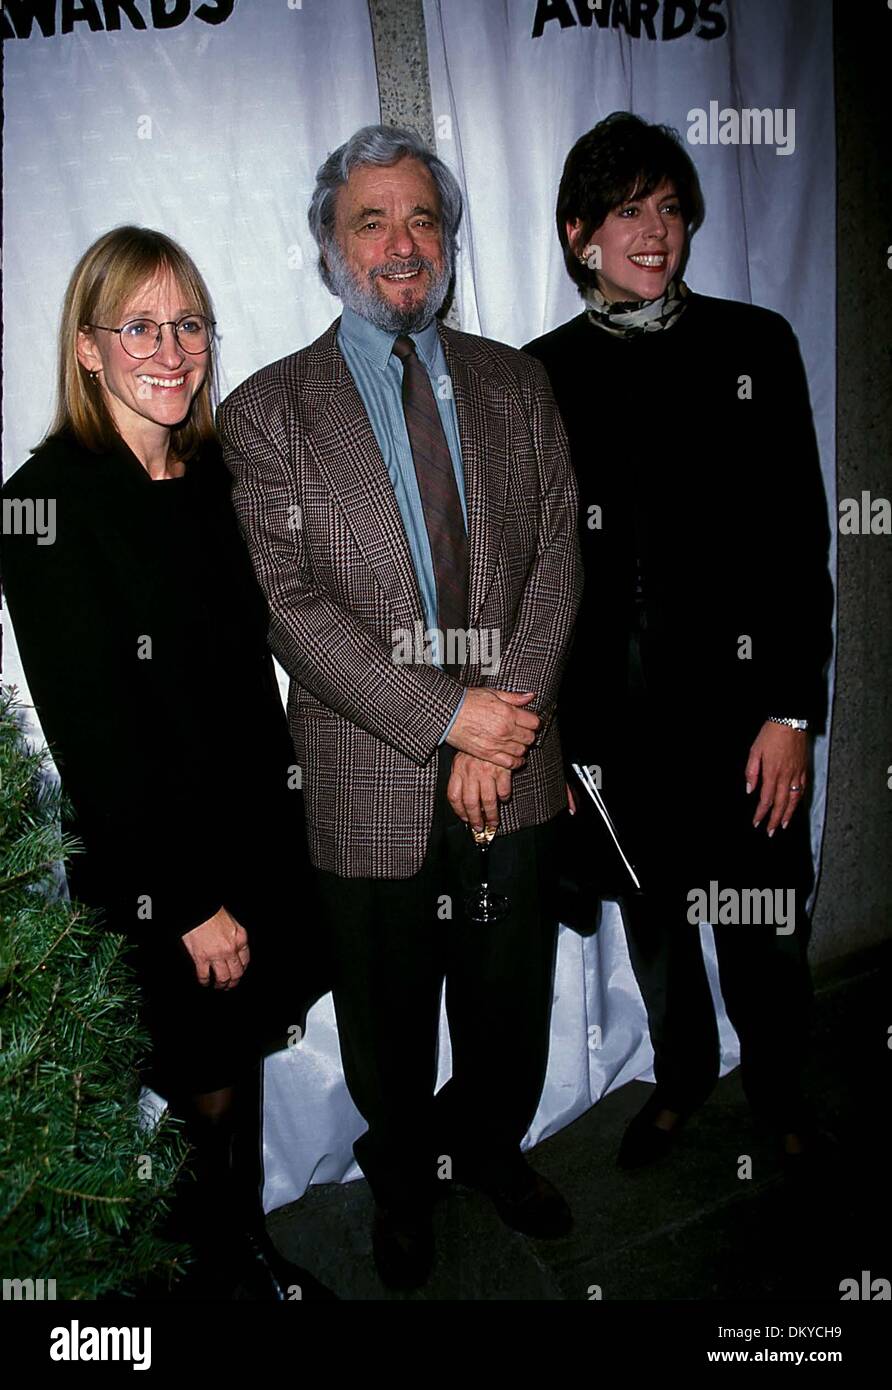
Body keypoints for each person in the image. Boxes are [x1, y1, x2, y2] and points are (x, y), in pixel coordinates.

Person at [218, 125, 582, 1289]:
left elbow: (558, 558)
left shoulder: (520, 383)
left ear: (450, 239)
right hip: (364, 772)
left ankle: (488, 1150)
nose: (400, 242)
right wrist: (446, 719)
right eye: (370, 219)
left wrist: (501, 722)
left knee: (506, 997)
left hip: (515, 759)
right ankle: (406, 1177)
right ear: (331, 243)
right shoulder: (268, 412)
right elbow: (288, 609)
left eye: (422, 217)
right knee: (383, 1021)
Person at [0, 226, 330, 1299]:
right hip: (166, 874)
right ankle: (215, 1278)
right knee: (205, 1083)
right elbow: (95, 739)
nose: (172, 347)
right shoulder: (43, 505)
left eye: (188, 322)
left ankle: (243, 1256)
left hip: (256, 845)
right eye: (139, 324)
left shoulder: (212, 471)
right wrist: (186, 900)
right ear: (87, 348)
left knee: (238, 1065)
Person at [524, 113, 833, 1175]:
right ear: (578, 234)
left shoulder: (754, 343)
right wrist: (554, 734)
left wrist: (793, 711)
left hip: (744, 715)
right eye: (624, 211)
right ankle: (686, 1072)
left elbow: (800, 538)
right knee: (657, 930)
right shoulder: (540, 373)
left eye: (667, 208)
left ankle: (783, 1089)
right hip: (619, 724)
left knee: (761, 926)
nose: (652, 232)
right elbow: (533, 573)